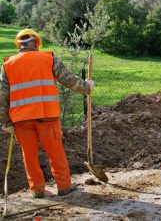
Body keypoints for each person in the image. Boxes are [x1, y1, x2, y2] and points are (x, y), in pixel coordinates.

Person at [0, 29, 94, 198]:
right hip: (47, 116)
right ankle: (64, 186)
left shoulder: (7, 65)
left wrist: (6, 122)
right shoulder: (48, 59)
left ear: (19, 46)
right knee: (55, 151)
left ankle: (37, 189)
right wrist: (87, 87)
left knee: (29, 155)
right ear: (36, 43)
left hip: (21, 120)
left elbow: (2, 97)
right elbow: (69, 80)